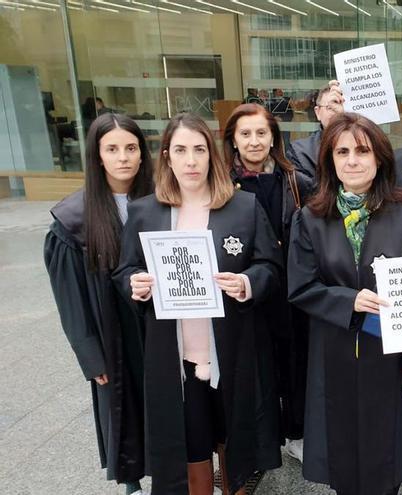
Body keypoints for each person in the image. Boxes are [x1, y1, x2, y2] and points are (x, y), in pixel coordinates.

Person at [114, 113, 283, 494]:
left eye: (199, 150)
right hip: (177, 359)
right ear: (167, 158)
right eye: (181, 151)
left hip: (232, 351)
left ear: (212, 155)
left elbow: (270, 267)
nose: (191, 161)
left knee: (235, 444)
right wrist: (134, 284)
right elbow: (125, 269)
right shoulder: (145, 212)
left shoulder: (243, 206)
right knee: (191, 448)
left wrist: (245, 283)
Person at [287, 112, 402, 495]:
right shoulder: (310, 219)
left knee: (385, 459)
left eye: (362, 151)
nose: (352, 160)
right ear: (330, 161)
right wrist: (349, 300)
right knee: (343, 459)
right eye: (342, 152)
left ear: (380, 159)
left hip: (388, 356)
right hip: (333, 353)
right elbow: (301, 286)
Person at [44, 113, 152, 495]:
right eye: (112, 149)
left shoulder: (159, 200)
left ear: (143, 153)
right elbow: (69, 298)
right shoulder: (74, 218)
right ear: (97, 156)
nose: (123, 157)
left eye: (131, 148)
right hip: (111, 331)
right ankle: (131, 482)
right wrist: (91, 356)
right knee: (120, 403)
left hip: (154, 324)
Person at [222, 103, 312, 463]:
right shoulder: (223, 186)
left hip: (291, 290)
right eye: (245, 134)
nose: (254, 141)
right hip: (246, 290)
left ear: (273, 136)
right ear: (233, 140)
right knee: (256, 366)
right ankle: (260, 438)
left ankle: (296, 431)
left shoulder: (296, 181)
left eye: (261, 132)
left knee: (293, 362)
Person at [285, 85, 343, 181]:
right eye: (330, 107)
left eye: (343, 106)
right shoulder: (300, 152)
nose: (338, 112)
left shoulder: (370, 148)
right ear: (318, 112)